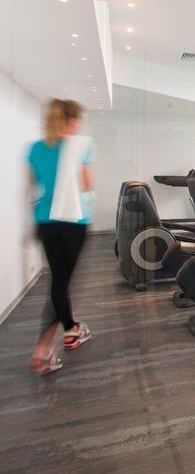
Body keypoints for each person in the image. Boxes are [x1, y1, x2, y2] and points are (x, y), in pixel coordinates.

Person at [29, 99, 95, 375]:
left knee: (59, 279)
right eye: (77, 120)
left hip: (45, 220)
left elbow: (32, 187)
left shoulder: (35, 148)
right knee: (61, 283)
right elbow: (86, 183)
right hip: (73, 221)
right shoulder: (79, 146)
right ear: (71, 120)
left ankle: (71, 329)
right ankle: (43, 350)